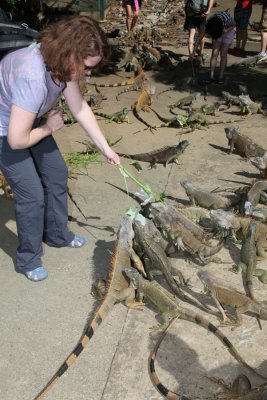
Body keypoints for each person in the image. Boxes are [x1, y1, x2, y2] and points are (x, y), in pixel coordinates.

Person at [0, 16, 120, 282]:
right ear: (70, 56)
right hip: (6, 132)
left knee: (56, 173)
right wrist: (49, 128)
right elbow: (16, 140)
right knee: (31, 195)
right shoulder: (31, 75)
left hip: (31, 120)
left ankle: (56, 234)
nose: (88, 74)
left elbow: (78, 107)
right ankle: (28, 258)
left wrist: (105, 148)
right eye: (87, 68)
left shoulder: (62, 64)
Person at [191, 11, 236, 84]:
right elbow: (199, 39)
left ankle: (221, 77)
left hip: (229, 30)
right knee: (215, 53)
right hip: (217, 30)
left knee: (223, 54)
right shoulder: (208, 25)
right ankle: (211, 76)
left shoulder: (227, 19)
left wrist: (227, 30)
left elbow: (234, 24)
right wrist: (193, 52)